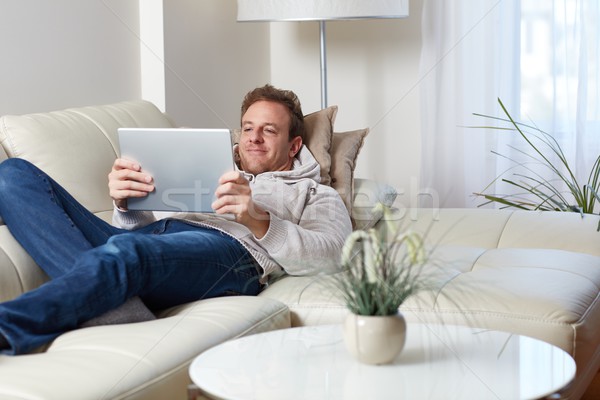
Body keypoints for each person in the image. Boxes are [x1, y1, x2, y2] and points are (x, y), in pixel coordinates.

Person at [0, 84, 352, 355]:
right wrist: (126, 204)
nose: (253, 139)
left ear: (293, 146)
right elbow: (145, 230)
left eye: (269, 131)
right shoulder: (206, 162)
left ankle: (9, 326)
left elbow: (333, 253)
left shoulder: (316, 193)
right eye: (247, 129)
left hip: (230, 254)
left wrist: (259, 221)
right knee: (12, 174)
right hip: (152, 243)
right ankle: (120, 309)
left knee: (125, 252)